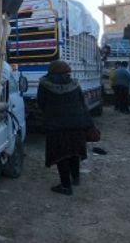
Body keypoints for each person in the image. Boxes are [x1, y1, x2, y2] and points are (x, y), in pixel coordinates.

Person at [37, 60, 91, 196]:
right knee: (74, 151)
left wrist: (49, 114)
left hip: (56, 126)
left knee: (61, 155)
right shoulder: (74, 84)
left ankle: (66, 186)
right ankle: (76, 178)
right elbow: (82, 103)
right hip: (76, 124)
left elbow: (41, 103)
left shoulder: (44, 84)